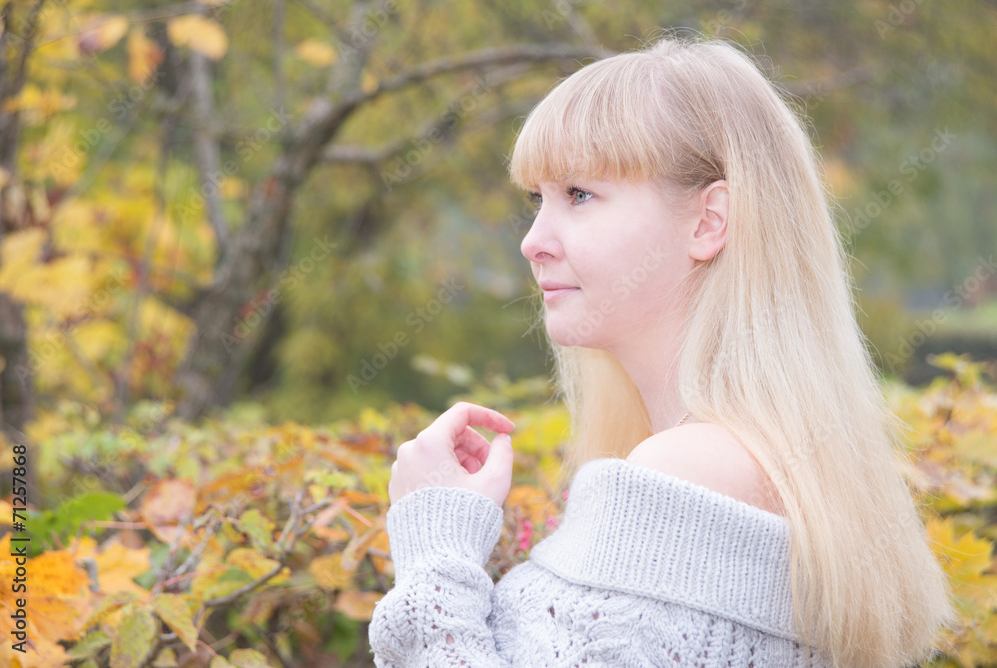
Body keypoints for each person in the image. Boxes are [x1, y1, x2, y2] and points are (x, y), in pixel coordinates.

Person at [368, 30, 956, 668]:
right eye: (538, 199)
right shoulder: (770, 463)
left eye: (580, 195)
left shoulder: (689, 470)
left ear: (709, 221)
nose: (533, 240)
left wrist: (435, 541)